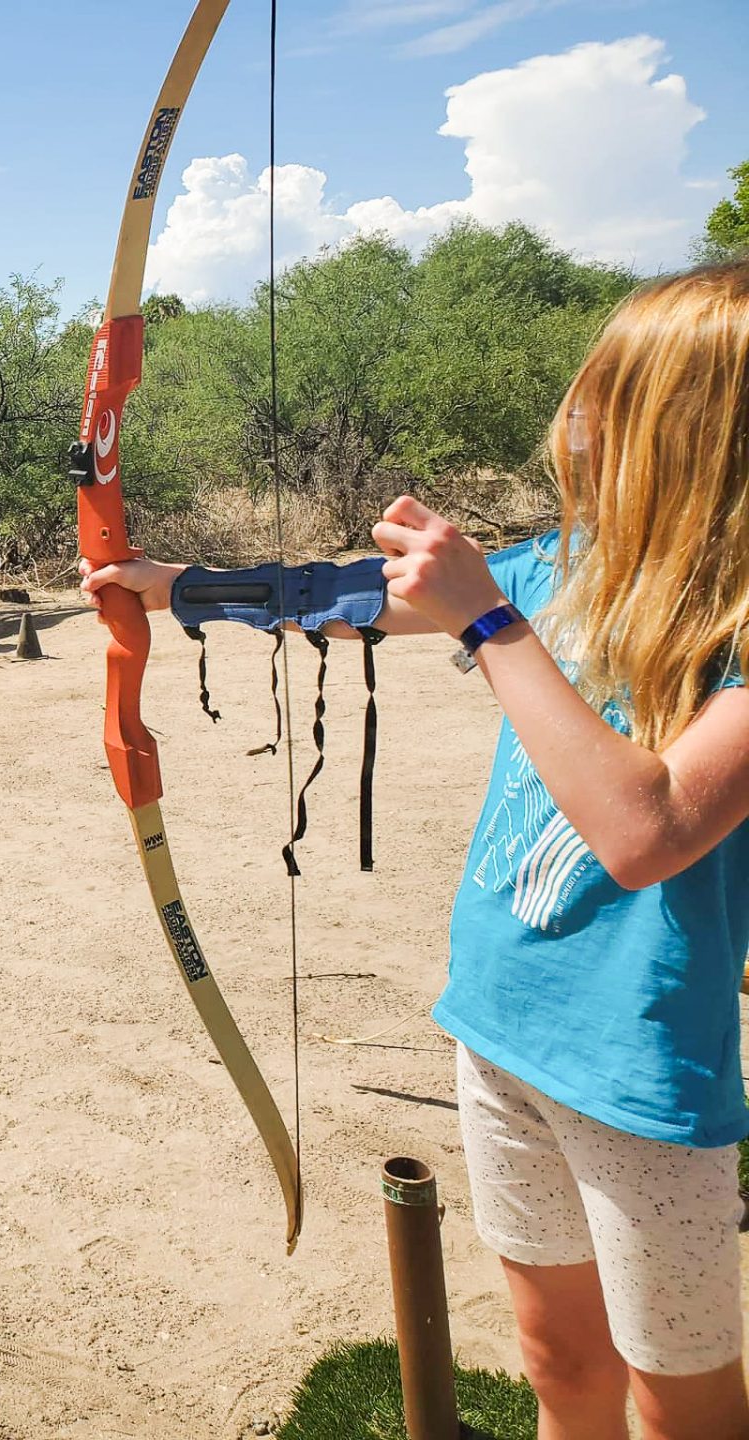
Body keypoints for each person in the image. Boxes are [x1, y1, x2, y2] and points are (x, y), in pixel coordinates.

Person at [80, 259, 749, 1440]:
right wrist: (174, 586)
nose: (574, 416)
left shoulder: (724, 629)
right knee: (559, 1365)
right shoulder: (563, 568)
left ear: (686, 429)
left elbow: (646, 831)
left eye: (610, 394)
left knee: (681, 1402)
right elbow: (336, 596)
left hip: (640, 1070)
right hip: (500, 1030)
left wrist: (486, 617)